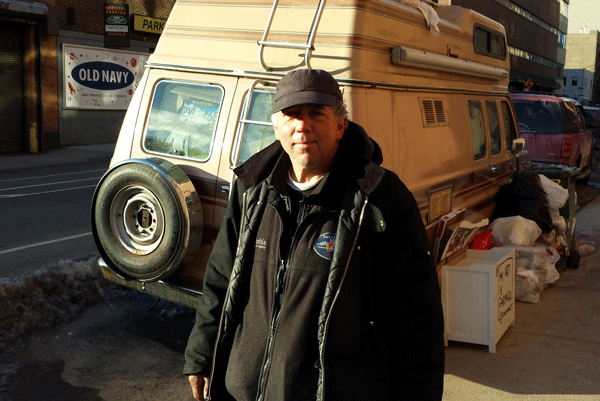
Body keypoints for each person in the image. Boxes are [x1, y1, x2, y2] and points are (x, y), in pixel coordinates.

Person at [183, 69, 445, 401]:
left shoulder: (380, 199)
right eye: (291, 115)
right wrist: (202, 352)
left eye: (316, 114)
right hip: (242, 389)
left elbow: (418, 317)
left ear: (340, 125)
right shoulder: (251, 190)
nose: (302, 126)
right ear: (276, 126)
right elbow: (220, 279)